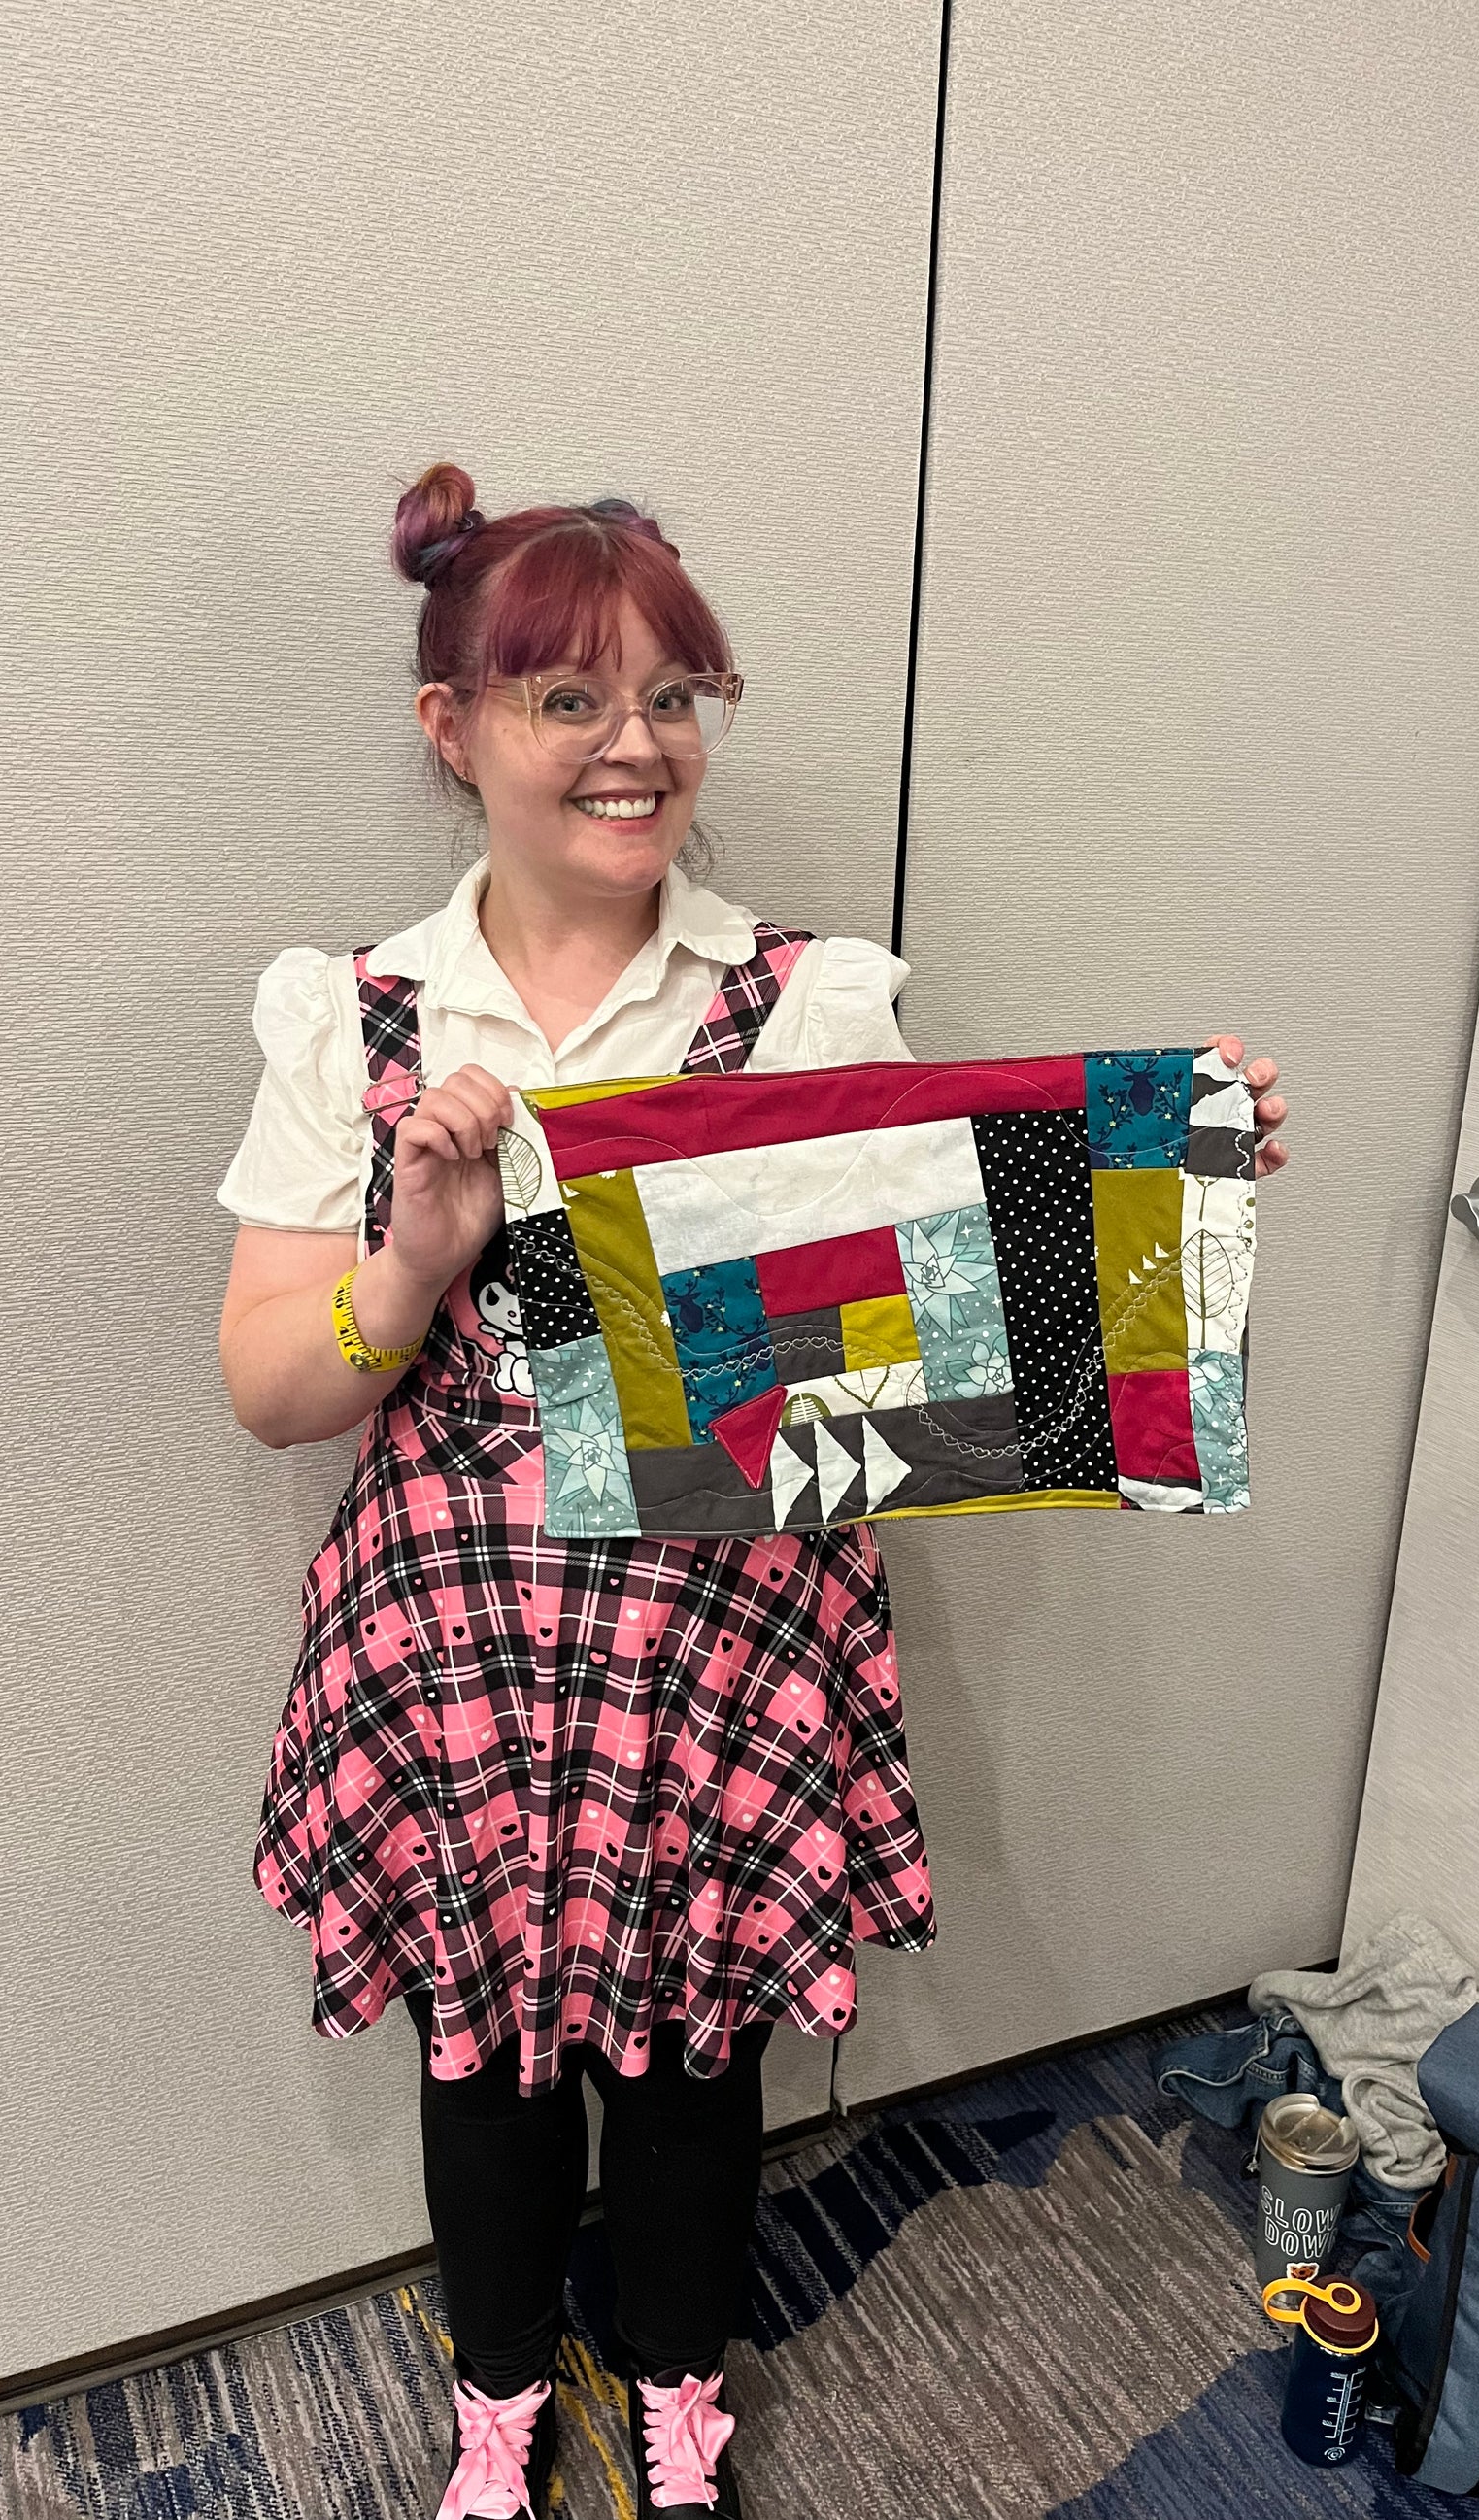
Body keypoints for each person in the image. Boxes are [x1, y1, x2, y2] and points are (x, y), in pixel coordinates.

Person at [215, 464, 1293, 2519]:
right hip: (449, 1633)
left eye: (677, 691)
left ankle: (680, 2387)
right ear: (452, 728)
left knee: (693, 2049)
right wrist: (414, 1256)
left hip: (727, 1626)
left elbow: (963, 1345)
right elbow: (275, 1387)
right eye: (568, 698)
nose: (637, 746)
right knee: (488, 2047)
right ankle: (503, 2395)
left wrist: (1162, 1197)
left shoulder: (807, 999)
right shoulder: (346, 1010)